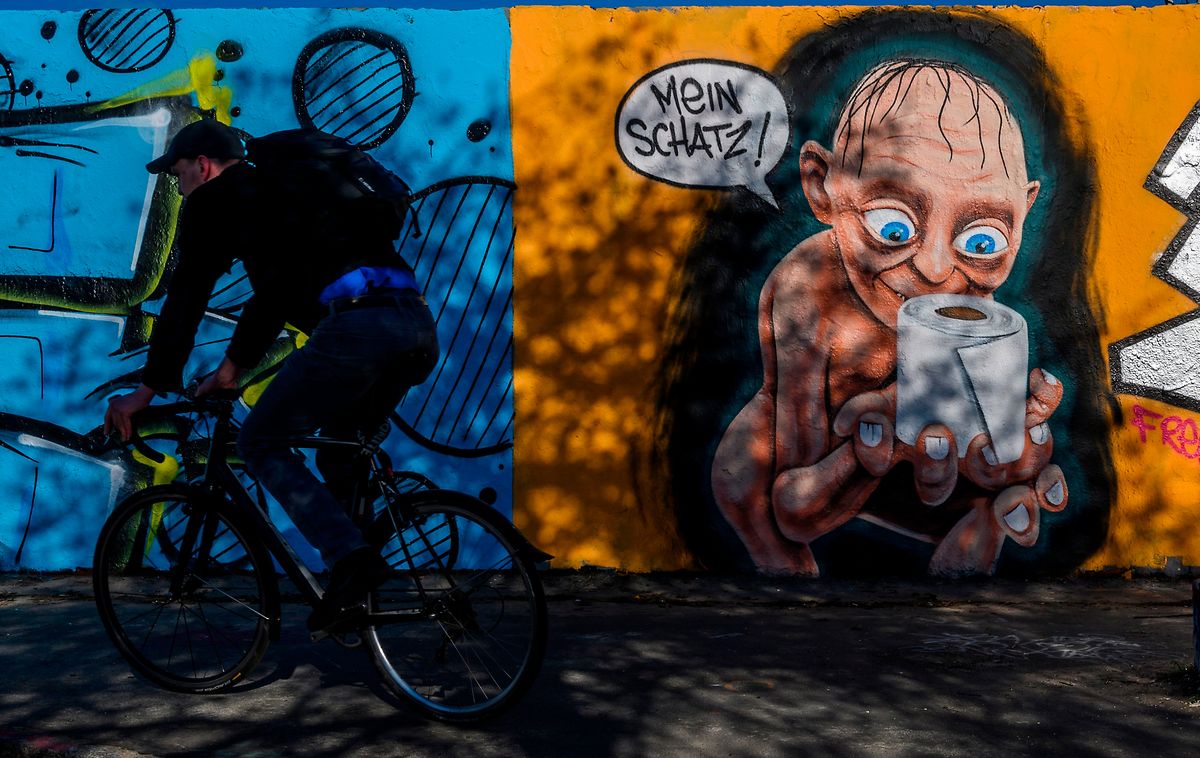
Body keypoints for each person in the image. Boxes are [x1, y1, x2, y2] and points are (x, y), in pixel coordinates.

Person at [710, 60, 1067, 577]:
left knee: (1002, 470)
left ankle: (979, 529)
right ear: (820, 187)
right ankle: (794, 598)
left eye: (982, 240)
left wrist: (1011, 432)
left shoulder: (974, 308)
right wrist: (882, 435)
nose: (937, 269)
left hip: (913, 477)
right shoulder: (809, 290)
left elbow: (980, 452)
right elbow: (796, 508)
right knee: (740, 476)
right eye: (892, 225)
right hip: (822, 465)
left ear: (1024, 213)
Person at [104, 118, 439, 630]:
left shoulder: (219, 199)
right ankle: (356, 593)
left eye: (177, 175)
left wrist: (150, 389)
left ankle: (353, 562)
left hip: (358, 329)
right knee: (342, 448)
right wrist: (231, 367)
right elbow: (279, 290)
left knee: (262, 441)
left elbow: (189, 297)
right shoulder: (290, 195)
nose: (177, 187)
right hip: (414, 324)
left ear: (203, 164)